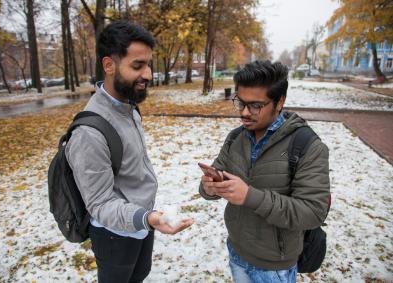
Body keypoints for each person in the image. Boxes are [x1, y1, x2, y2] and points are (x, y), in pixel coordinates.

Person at [66, 21, 193, 283]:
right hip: (115, 234)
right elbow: (100, 204)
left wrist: (147, 219)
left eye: (148, 65)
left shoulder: (128, 105)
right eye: (137, 66)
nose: (147, 74)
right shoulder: (89, 133)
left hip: (143, 221)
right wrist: (147, 218)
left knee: (139, 275)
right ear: (109, 65)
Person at [199, 60, 330, 283]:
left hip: (274, 267)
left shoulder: (307, 145)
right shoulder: (235, 137)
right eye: (240, 102)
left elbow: (313, 211)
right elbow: (213, 178)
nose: (244, 112)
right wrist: (209, 187)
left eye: (256, 106)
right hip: (237, 251)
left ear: (280, 102)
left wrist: (250, 196)